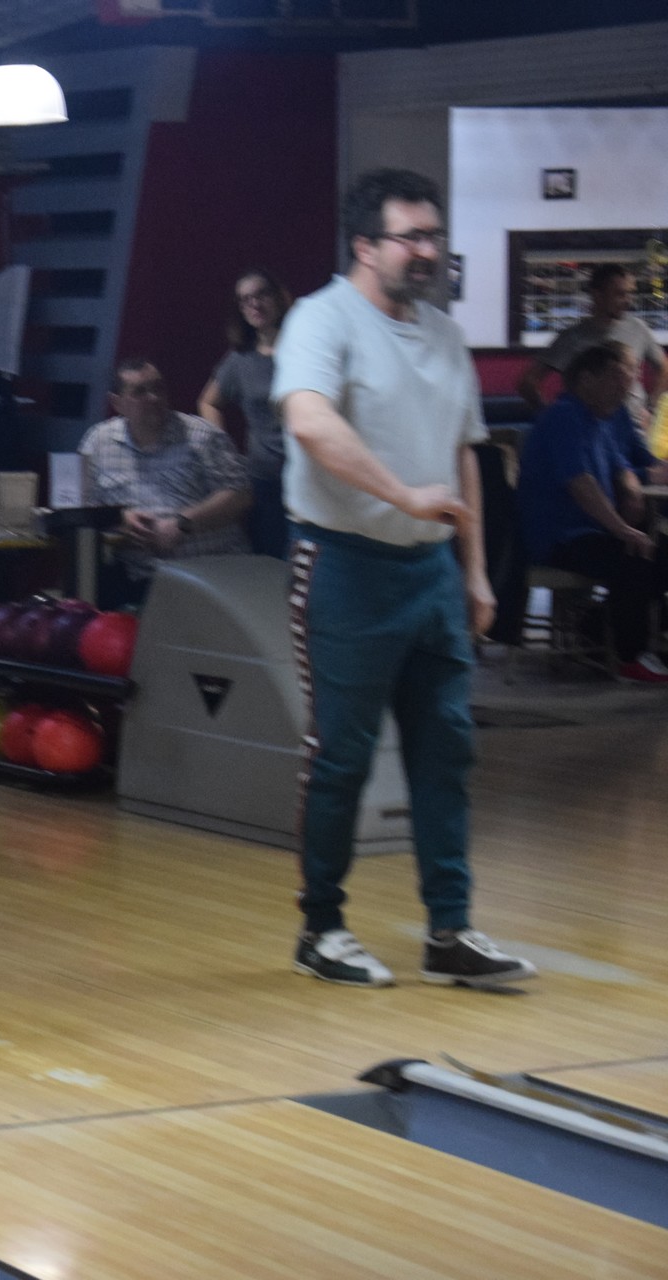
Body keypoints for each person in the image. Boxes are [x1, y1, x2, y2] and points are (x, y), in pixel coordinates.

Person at [275, 167, 536, 990]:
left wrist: (476, 572)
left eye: (434, 237)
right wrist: (403, 495)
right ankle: (322, 929)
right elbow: (310, 423)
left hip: (431, 574)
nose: (428, 251)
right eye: (411, 237)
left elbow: (464, 454)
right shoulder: (321, 319)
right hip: (343, 566)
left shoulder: (447, 336)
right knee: (342, 757)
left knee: (446, 752)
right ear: (365, 245)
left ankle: (449, 930)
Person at [518, 341, 668, 683]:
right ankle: (629, 657)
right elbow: (581, 485)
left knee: (659, 556)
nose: (626, 387)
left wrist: (630, 485)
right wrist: (623, 529)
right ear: (586, 379)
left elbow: (623, 467)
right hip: (560, 538)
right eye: (616, 378)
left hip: (590, 532)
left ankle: (599, 630)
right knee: (635, 558)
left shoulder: (600, 419)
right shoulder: (564, 416)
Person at [80, 357, 251, 603]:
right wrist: (120, 519)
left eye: (158, 388)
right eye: (140, 392)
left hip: (213, 577)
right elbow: (83, 506)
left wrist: (182, 524)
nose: (153, 398)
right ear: (117, 403)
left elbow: (240, 495)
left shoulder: (202, 436)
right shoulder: (98, 441)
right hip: (142, 578)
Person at [198, 269, 294, 556]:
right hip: (265, 482)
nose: (255, 304)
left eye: (261, 295)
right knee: (272, 565)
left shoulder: (305, 347)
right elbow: (208, 402)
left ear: (278, 298)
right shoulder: (240, 360)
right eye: (245, 300)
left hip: (311, 476)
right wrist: (225, 451)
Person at [518, 263, 668, 434]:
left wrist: (651, 408)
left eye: (630, 293)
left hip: (633, 427)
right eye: (620, 294)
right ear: (598, 295)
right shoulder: (571, 337)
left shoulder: (638, 328)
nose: (628, 301)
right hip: (587, 430)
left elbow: (664, 368)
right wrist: (551, 417)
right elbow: (527, 382)